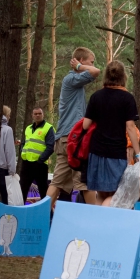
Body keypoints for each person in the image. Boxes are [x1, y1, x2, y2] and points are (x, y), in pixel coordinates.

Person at [46, 47, 100, 209]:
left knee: (57, 182)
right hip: (73, 139)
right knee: (84, 181)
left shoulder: (73, 83)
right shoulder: (71, 80)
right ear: (81, 60)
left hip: (64, 138)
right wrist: (79, 67)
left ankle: (41, 215)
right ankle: (97, 217)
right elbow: (96, 72)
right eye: (90, 61)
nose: (92, 64)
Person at [81, 61, 140, 206]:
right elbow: (130, 127)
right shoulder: (127, 98)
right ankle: (107, 225)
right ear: (123, 77)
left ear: (106, 76)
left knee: (101, 193)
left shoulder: (96, 96)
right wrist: (138, 153)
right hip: (116, 153)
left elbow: (85, 125)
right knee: (115, 194)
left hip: (96, 152)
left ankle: (97, 224)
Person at [19, 107, 55, 203]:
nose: (37, 115)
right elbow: (24, 142)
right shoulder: (28, 128)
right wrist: (22, 152)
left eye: (39, 113)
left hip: (40, 164)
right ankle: (21, 211)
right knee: (22, 189)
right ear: (32, 115)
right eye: (35, 114)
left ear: (43, 115)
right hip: (26, 164)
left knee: (43, 190)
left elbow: (51, 146)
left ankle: (46, 213)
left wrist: (41, 159)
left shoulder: (48, 128)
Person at [0, 106, 17, 205]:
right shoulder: (7, 130)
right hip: (2, 169)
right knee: (5, 199)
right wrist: (12, 170)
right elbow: (9, 151)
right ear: (6, 115)